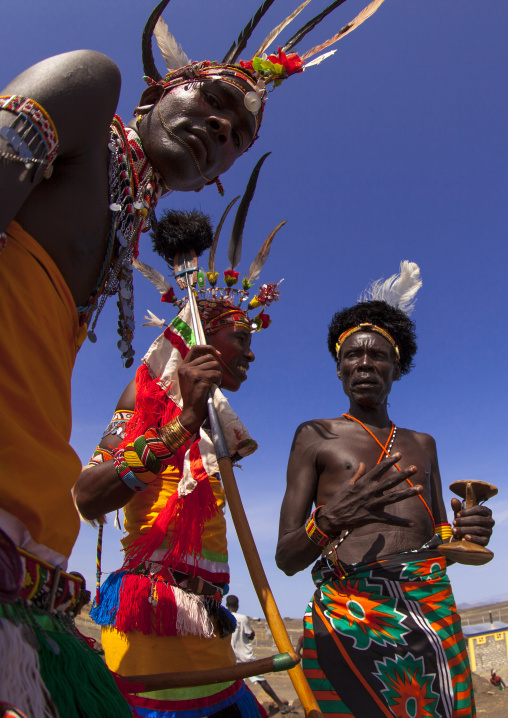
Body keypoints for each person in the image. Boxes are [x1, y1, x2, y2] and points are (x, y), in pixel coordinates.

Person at [75, 199, 285, 717]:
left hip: (210, 631)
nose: (252, 353)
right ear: (204, 333)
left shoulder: (220, 420)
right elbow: (88, 496)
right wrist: (183, 423)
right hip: (150, 637)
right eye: (242, 337)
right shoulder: (144, 396)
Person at [276, 262, 494, 718]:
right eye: (352, 355)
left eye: (378, 356)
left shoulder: (423, 445)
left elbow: (441, 538)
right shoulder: (315, 435)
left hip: (429, 610)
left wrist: (468, 531)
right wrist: (333, 518)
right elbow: (287, 558)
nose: (365, 364)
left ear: (397, 367)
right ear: (338, 369)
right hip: (348, 615)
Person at [226, 595, 291, 714]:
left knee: (232, 686)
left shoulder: (224, 617)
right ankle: (281, 705)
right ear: (237, 605)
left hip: (230, 657)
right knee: (261, 681)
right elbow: (250, 635)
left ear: (226, 605)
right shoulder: (242, 618)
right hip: (245, 655)